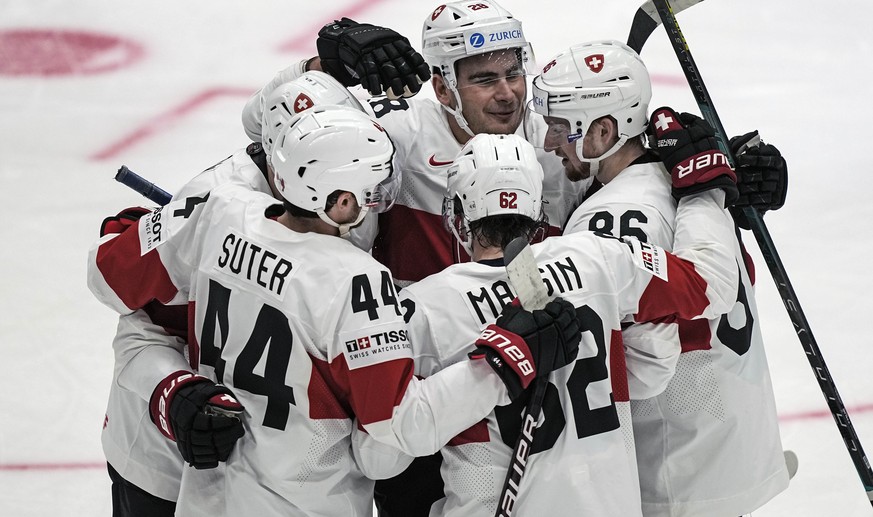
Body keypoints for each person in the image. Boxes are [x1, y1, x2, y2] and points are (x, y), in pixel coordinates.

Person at [88, 105, 582, 516]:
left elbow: (122, 286)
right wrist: (505, 360)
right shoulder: (356, 281)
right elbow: (394, 439)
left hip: (209, 500)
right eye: (372, 189)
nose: (381, 199)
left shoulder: (222, 211)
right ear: (340, 201)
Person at [398, 127, 742, 516]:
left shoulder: (423, 307)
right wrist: (703, 190)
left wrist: (494, 371)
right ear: (537, 210)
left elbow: (383, 452)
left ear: (459, 215)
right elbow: (708, 285)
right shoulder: (599, 256)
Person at [97, 71, 383, 517]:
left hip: (269, 473)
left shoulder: (353, 185)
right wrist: (171, 391)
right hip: (166, 460)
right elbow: (127, 302)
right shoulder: (218, 204)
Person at [531, 40, 790, 516]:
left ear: (604, 130)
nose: (549, 143)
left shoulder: (609, 217)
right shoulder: (691, 181)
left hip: (677, 470)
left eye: (561, 128)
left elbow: (641, 370)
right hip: (736, 444)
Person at [241, 0, 589, 288]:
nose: (507, 93)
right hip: (413, 343)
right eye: (485, 80)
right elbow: (260, 126)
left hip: (522, 343)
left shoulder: (559, 142)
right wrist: (323, 68)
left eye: (513, 74)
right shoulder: (394, 135)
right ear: (442, 90)